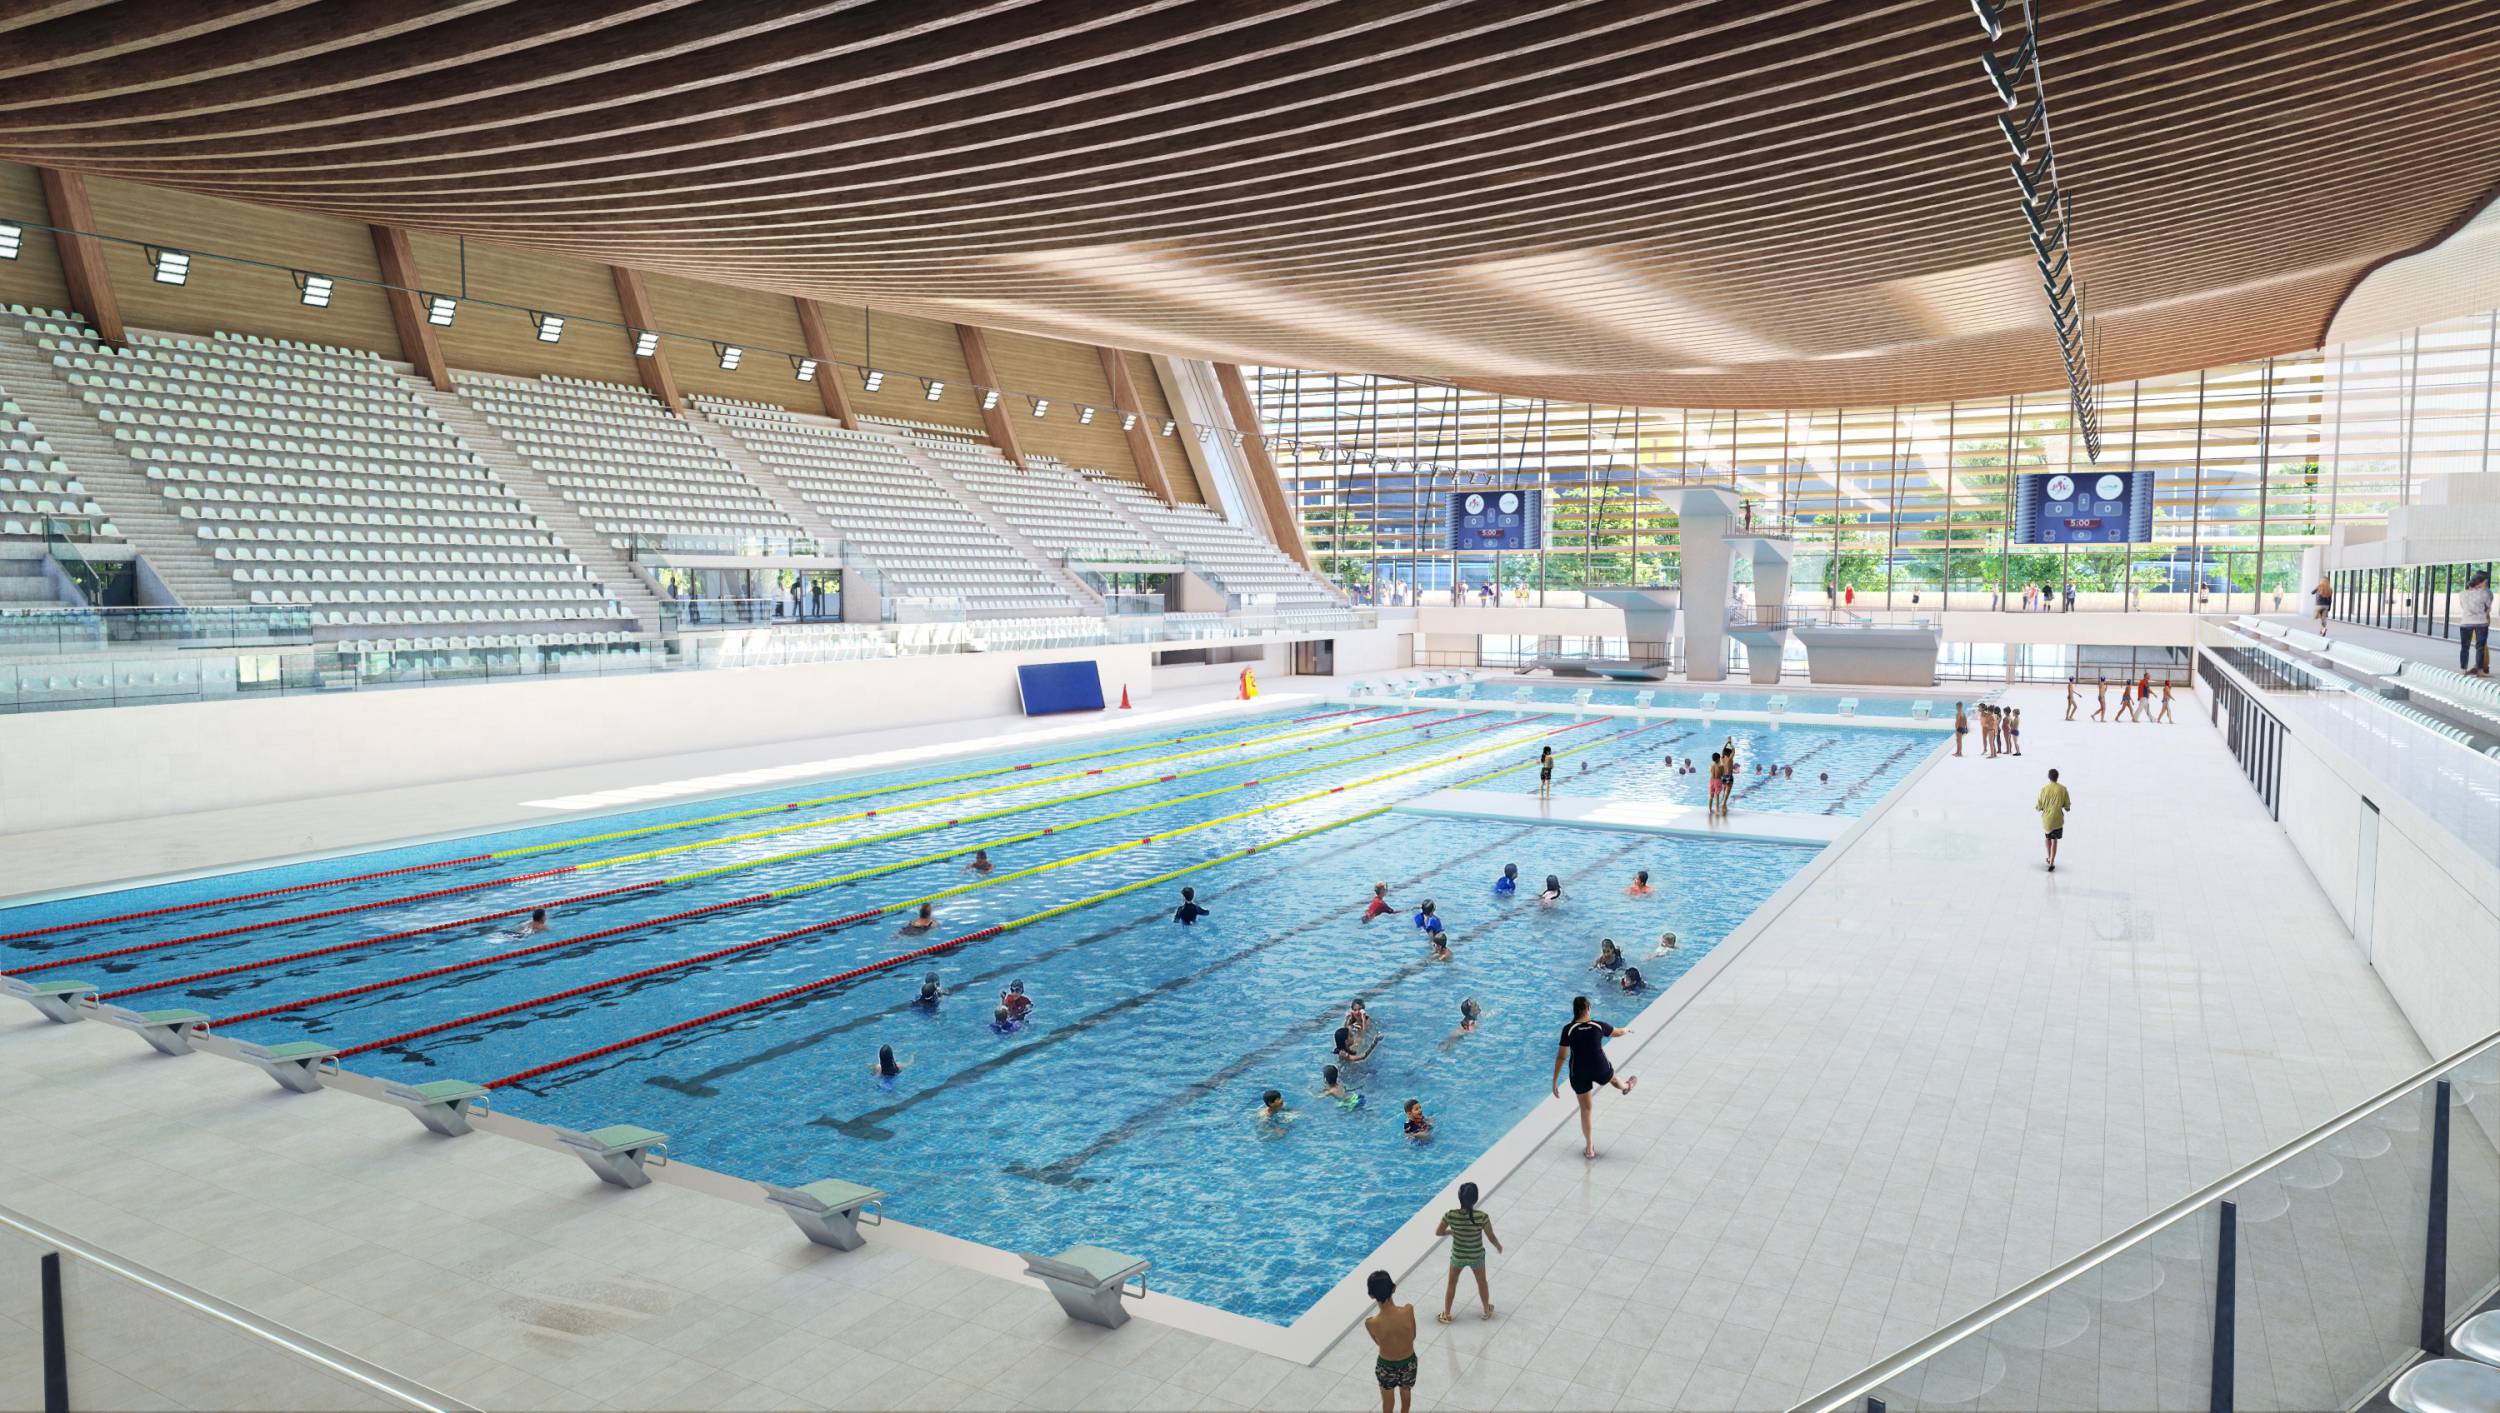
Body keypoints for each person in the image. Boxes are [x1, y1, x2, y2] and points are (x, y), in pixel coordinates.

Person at [1553, 995, 1637, 1159]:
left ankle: (1589, 1147)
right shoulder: (1598, 1026)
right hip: (1599, 1067)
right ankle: (1626, 1087)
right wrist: (1626, 1029)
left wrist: (1555, 1081)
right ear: (1587, 1009)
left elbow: (1561, 1057)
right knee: (1613, 1078)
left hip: (1579, 1072)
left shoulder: (1568, 1029)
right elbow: (1618, 1032)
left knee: (1586, 1109)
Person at [1435, 1182, 1502, 1324]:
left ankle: (1446, 1314)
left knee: (1452, 1283)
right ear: (1475, 1199)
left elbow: (1438, 1232)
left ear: (1459, 1198)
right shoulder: (1482, 1217)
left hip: (1458, 1256)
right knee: (1481, 1282)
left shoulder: (1450, 1215)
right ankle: (1486, 1310)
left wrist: (1451, 1232)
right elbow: (1491, 1237)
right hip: (1476, 1256)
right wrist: (1498, 1246)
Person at [1364, 1271, 1418, 1413]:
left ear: (1371, 1295)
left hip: (1386, 1365)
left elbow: (1379, 1343)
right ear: (1393, 1288)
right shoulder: (1408, 1310)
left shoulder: (1371, 1323)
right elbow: (1413, 1336)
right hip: (1409, 1362)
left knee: (1387, 1404)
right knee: (1406, 1397)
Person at [2037, 767, 2072, 873]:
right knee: (2055, 840)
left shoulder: (2044, 789)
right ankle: (2052, 862)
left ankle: (2048, 857)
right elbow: (2067, 807)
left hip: (2047, 821)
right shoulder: (2063, 789)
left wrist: (2041, 808)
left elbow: (2039, 807)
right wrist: (2066, 808)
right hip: (2058, 820)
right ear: (2057, 777)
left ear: (2049, 777)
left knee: (2048, 838)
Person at [2461, 571, 2493, 675]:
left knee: (2481, 645)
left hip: (2480, 619)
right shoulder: (2479, 592)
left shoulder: (2486, 592)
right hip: (2477, 619)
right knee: (2478, 645)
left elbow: (2486, 607)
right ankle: (2479, 667)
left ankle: (2482, 666)